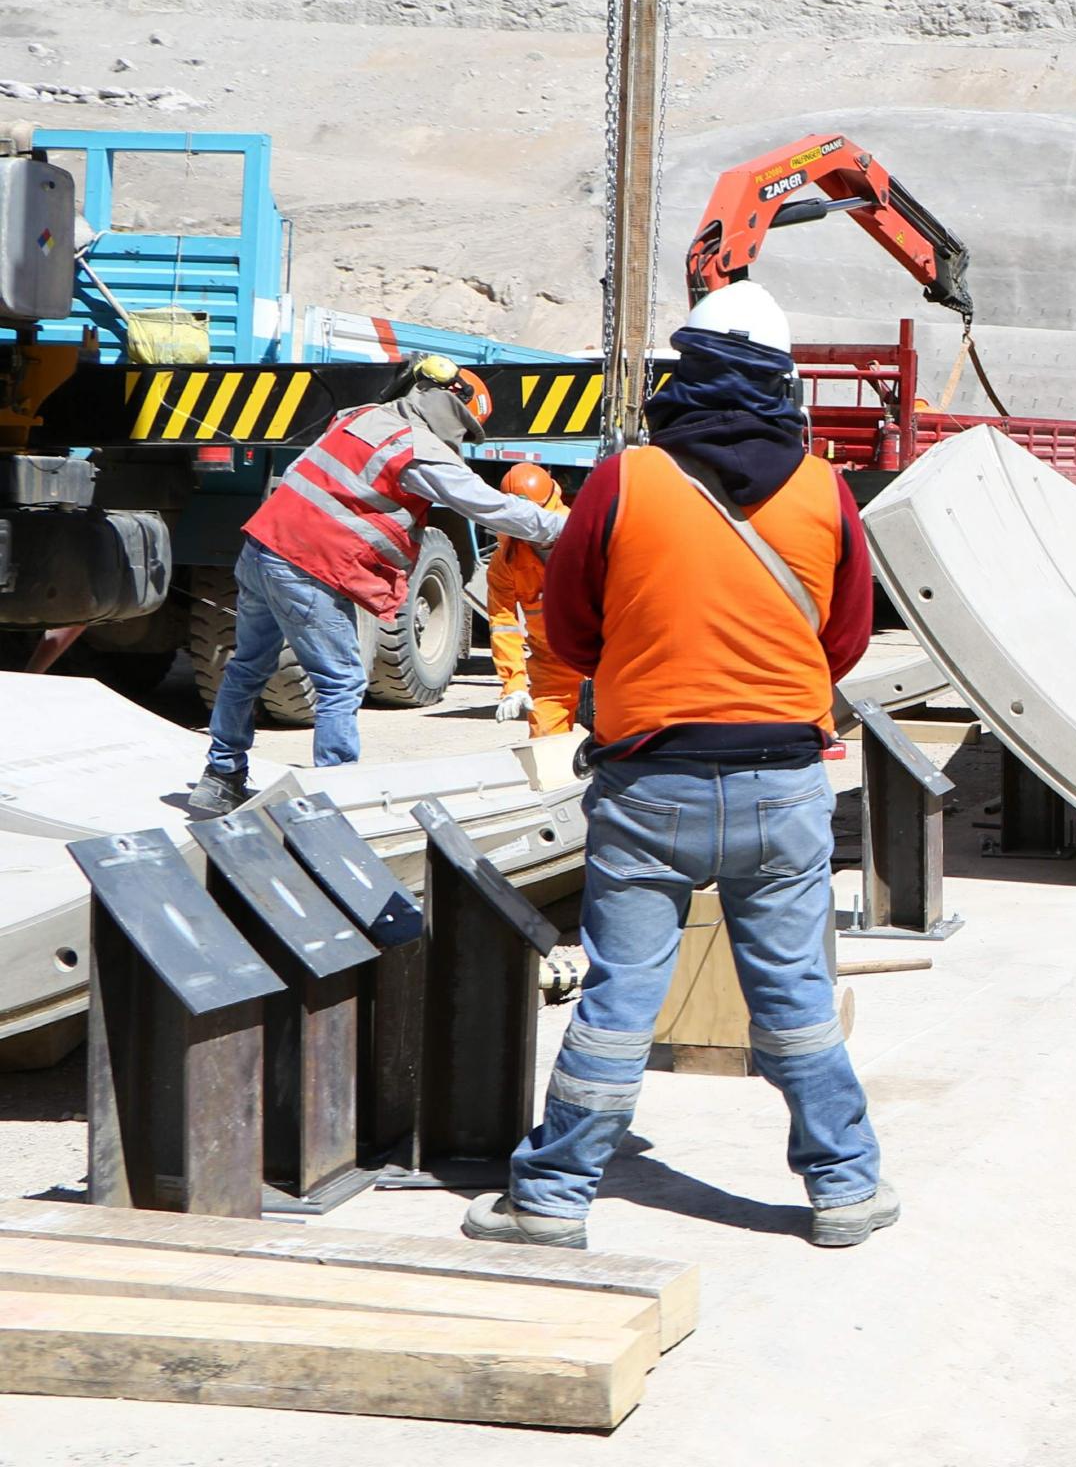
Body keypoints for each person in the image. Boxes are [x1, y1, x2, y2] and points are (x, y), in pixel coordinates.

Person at [464, 280, 898, 1252]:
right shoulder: (825, 487)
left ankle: (553, 1195)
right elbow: (847, 636)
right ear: (783, 380)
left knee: (620, 996)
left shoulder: (626, 479)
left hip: (647, 783)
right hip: (783, 784)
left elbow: (568, 627)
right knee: (793, 992)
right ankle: (845, 1186)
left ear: (686, 371)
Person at [189, 355, 563, 815]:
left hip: (262, 547)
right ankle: (334, 800)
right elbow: (489, 508)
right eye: (464, 426)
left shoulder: (360, 416)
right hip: (309, 565)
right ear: (448, 403)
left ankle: (220, 776)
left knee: (247, 666)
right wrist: (568, 528)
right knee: (342, 682)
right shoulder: (417, 449)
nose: (461, 437)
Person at [487, 463, 577, 737]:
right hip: (552, 667)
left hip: (601, 663)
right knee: (546, 749)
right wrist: (513, 685)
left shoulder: (585, 540)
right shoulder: (507, 561)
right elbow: (503, 625)